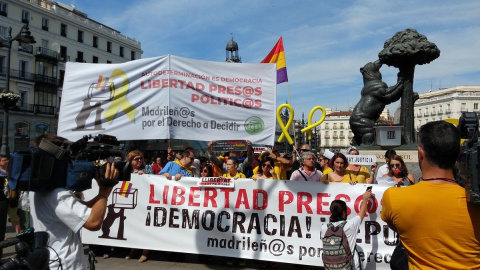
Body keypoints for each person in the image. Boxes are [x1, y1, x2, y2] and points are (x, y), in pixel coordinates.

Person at [381, 121, 480, 269]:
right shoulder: (475, 201)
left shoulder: (393, 198)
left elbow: (399, 228)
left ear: (420, 153)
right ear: (459, 153)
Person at [29, 134, 119, 270]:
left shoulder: (38, 189)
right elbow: (93, 223)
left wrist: (106, 190)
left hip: (50, 259)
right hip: (65, 263)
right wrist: (104, 192)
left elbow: (83, 208)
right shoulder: (57, 194)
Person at [321, 189, 372, 270]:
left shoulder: (324, 227)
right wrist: (365, 198)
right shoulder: (350, 225)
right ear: (344, 212)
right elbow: (363, 211)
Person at [124, 150, 150, 262]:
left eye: (140, 158)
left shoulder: (147, 169)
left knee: (145, 229)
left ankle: (145, 252)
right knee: (132, 228)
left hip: (145, 204)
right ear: (130, 161)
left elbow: (154, 184)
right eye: (136, 159)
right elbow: (124, 191)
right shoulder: (126, 171)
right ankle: (133, 249)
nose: (139, 160)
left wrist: (145, 177)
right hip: (132, 204)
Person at [0, 155, 21, 234]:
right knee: (1, 218)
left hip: (12, 198)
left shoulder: (12, 171)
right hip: (1, 198)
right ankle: (2, 235)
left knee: (14, 217)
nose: (7, 161)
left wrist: (18, 193)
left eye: (7, 160)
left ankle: (19, 233)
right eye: (4, 160)